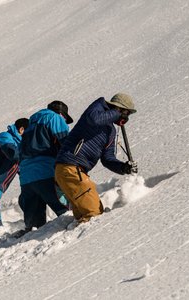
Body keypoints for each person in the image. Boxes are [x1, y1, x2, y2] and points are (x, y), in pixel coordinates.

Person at [55, 93, 138, 223]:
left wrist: (123, 167)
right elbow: (94, 119)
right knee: (94, 214)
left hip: (75, 171)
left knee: (85, 216)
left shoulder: (111, 131)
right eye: (126, 113)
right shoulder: (98, 106)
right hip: (70, 166)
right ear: (118, 108)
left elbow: (107, 158)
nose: (126, 117)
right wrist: (116, 113)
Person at [16, 101, 73, 236]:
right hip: (45, 173)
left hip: (26, 178)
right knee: (69, 214)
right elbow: (67, 142)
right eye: (65, 118)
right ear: (60, 114)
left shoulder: (30, 124)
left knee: (34, 228)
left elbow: (19, 151)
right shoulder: (54, 118)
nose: (64, 121)